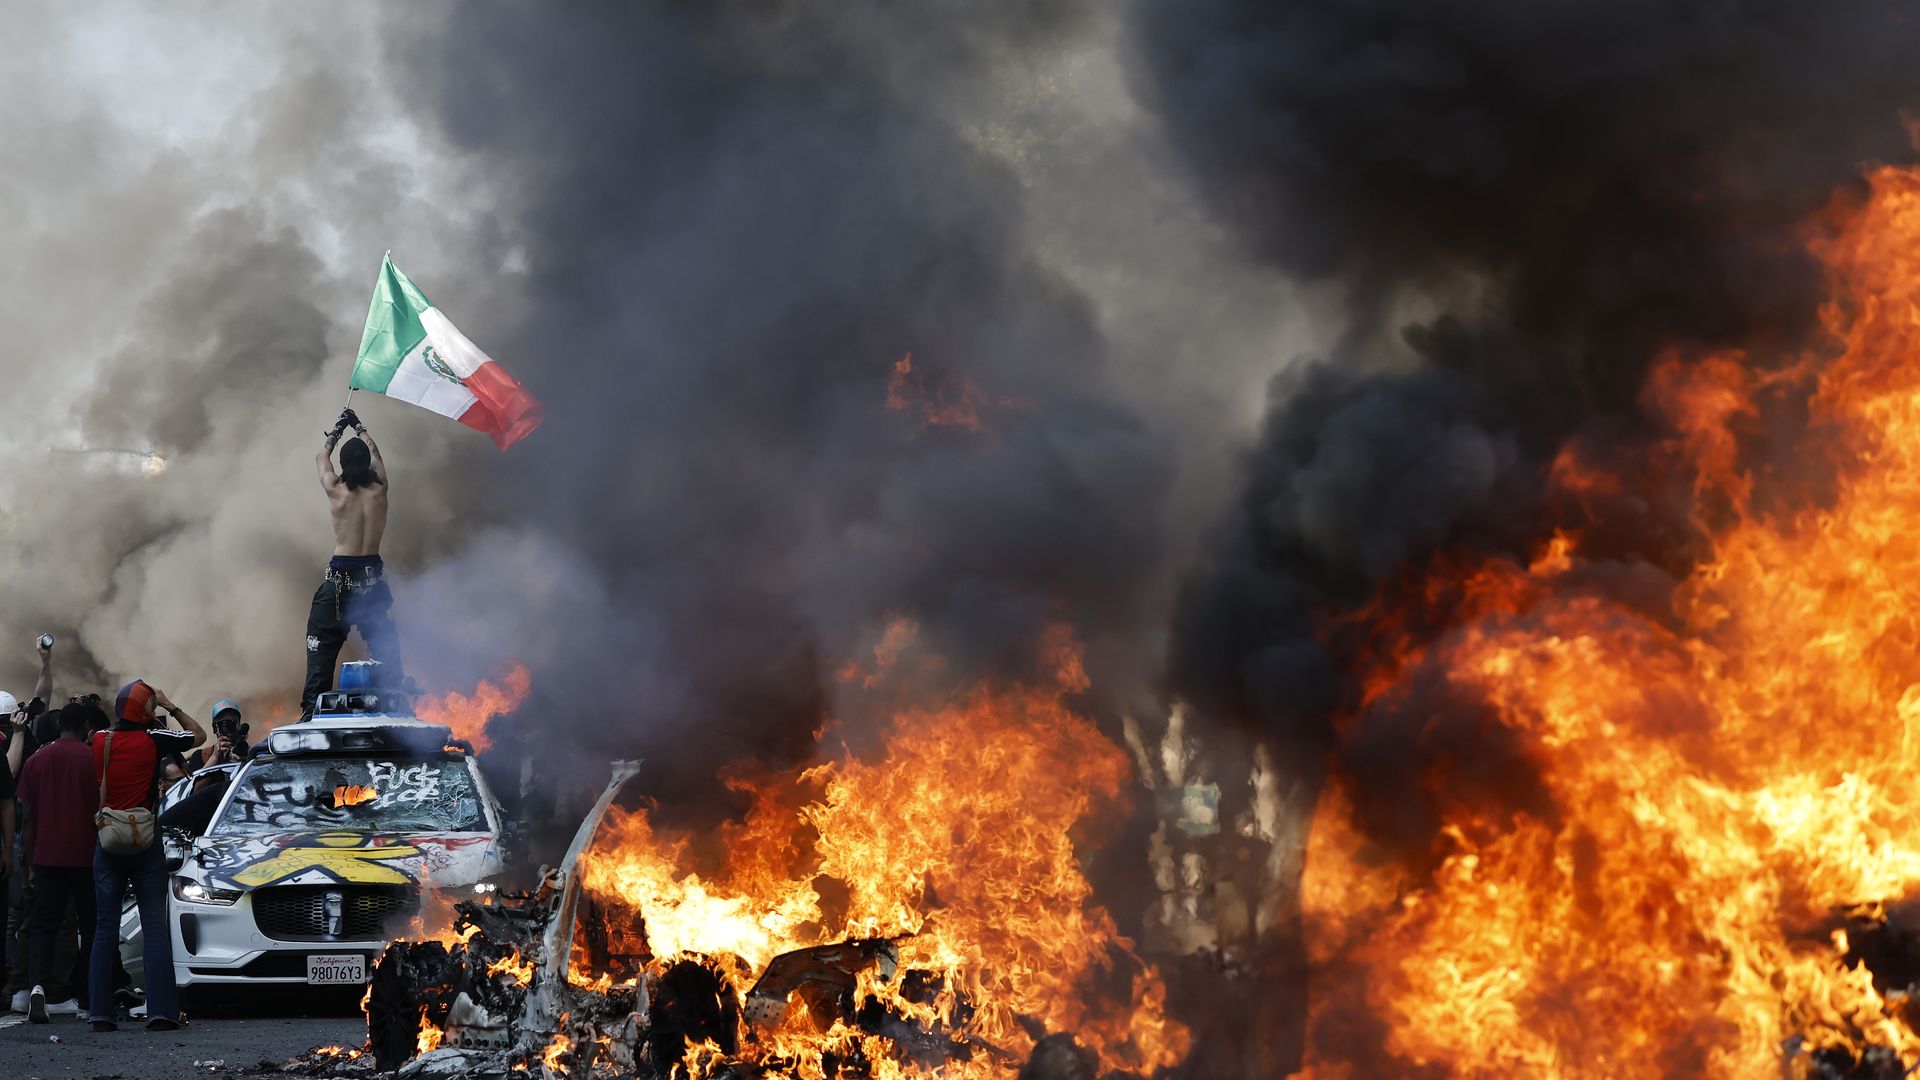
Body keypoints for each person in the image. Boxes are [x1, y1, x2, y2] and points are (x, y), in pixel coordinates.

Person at [89, 680, 202, 1032]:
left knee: (104, 928)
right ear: (147, 711)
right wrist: (170, 706)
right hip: (144, 840)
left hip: (108, 841)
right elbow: (197, 736)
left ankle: (101, 1013)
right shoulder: (155, 739)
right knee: (155, 927)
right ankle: (162, 1012)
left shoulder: (99, 740)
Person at [301, 408, 404, 720]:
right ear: (367, 463)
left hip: (339, 584)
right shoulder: (381, 489)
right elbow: (377, 453)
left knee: (321, 644)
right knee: (386, 647)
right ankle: (399, 703)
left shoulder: (336, 490)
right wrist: (359, 426)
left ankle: (310, 712)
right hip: (372, 582)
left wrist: (337, 428)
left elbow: (321, 456)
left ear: (344, 465)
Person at [17, 705, 97, 1022]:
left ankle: (38, 988)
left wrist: (32, 858)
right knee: (91, 926)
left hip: (47, 856)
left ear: (60, 725)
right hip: (86, 857)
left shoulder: (36, 761)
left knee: (43, 926)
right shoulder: (92, 759)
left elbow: (26, 816)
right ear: (85, 726)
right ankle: (89, 996)